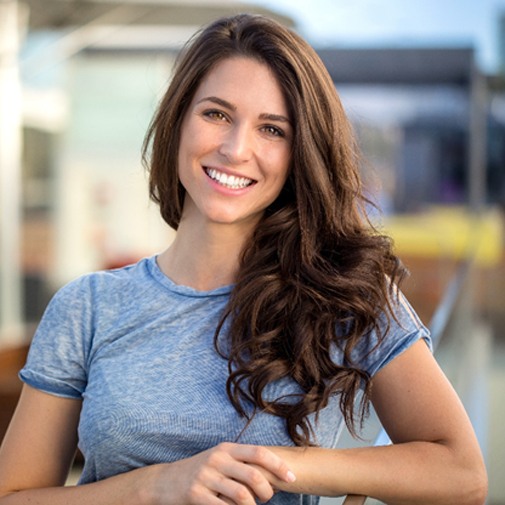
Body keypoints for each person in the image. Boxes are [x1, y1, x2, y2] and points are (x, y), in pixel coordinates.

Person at [0, 13, 487, 505]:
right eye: (216, 114)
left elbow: (462, 473)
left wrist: (281, 467)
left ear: (300, 153)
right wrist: (156, 485)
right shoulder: (88, 307)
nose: (236, 149)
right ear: (178, 120)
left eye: (272, 129)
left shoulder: (343, 291)